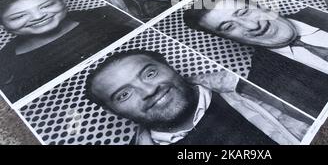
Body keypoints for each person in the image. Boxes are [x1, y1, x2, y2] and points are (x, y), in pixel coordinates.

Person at [183, 0, 328, 117]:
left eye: (244, 12)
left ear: (262, 6)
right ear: (228, 38)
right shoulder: (267, 80)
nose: (252, 26)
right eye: (229, 27)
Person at [84, 50, 313, 145]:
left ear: (170, 67)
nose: (149, 90)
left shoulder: (257, 81)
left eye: (150, 73)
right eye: (124, 94)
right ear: (113, 111)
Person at [0, 0, 138, 102]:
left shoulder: (102, 15)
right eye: (18, 16)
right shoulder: (5, 61)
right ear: (3, 24)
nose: (38, 17)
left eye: (46, 5)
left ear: (63, 2)